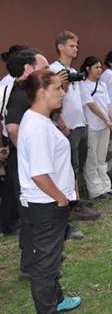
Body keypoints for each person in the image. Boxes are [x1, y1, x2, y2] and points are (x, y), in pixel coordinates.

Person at [18, 69, 82, 313]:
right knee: (45, 263)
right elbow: (39, 174)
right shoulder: (37, 126)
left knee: (52, 256)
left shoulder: (41, 120)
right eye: (57, 88)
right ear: (41, 93)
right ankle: (48, 309)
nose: (63, 93)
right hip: (46, 205)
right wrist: (60, 198)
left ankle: (57, 300)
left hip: (47, 203)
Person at [49, 31, 100, 225]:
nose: (75, 49)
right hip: (67, 125)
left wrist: (84, 119)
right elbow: (54, 97)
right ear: (61, 47)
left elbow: (77, 99)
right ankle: (72, 204)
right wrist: (60, 121)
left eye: (77, 46)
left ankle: (76, 197)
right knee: (70, 165)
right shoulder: (55, 69)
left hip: (79, 123)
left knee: (77, 163)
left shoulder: (73, 71)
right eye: (71, 45)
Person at [1, 50, 49, 237]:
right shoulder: (20, 94)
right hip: (22, 158)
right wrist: (27, 154)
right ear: (28, 69)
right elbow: (12, 128)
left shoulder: (26, 91)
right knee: (30, 207)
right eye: (44, 68)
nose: (48, 72)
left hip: (21, 157)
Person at [79, 56, 112, 202]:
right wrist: (107, 120)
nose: (99, 70)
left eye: (101, 67)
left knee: (102, 158)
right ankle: (95, 191)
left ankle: (106, 187)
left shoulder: (102, 85)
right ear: (88, 69)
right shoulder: (84, 85)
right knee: (92, 159)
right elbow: (92, 106)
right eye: (96, 67)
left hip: (105, 126)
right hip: (92, 126)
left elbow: (108, 105)